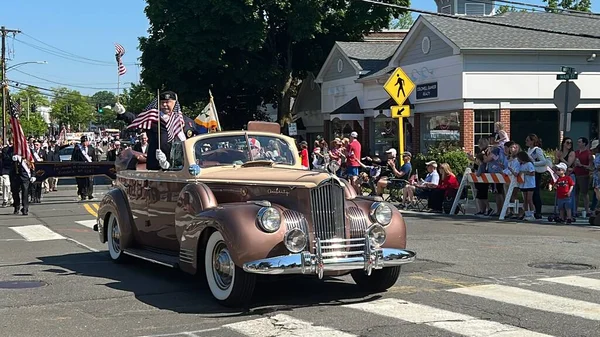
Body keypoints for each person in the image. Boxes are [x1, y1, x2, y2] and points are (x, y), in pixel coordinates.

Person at [114, 91, 198, 170]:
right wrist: (123, 113)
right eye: (162, 102)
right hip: (157, 165)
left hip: (182, 165)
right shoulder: (153, 119)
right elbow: (136, 119)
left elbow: (195, 139)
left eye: (167, 102)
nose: (164, 105)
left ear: (175, 103)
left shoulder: (186, 121)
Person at [71, 135, 98, 201]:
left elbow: (94, 159)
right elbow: (73, 158)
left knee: (90, 181)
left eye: (86, 141)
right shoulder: (77, 149)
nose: (85, 143)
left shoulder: (91, 148)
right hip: (81, 168)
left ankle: (90, 194)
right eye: (83, 141)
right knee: (82, 181)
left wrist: (95, 166)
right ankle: (83, 194)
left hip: (89, 168)